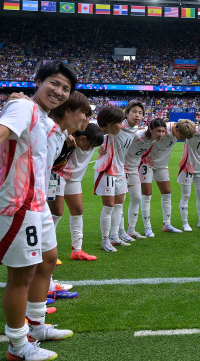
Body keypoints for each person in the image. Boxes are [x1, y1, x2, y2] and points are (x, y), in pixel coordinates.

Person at [0, 60, 77, 361]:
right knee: (20, 277)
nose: (59, 91)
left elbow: (46, 160)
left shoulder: (46, 121)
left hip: (37, 205)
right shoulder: (24, 108)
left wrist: (65, 137)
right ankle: (17, 344)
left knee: (49, 260)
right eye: (54, 83)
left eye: (66, 88)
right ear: (39, 81)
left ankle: (36, 326)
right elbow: (0, 132)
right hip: (17, 206)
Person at [51, 119, 104, 261]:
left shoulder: (90, 134)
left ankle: (77, 250)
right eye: (91, 145)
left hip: (73, 178)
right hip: (55, 175)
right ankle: (47, 252)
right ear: (82, 139)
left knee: (78, 210)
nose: (92, 149)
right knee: (56, 213)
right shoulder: (65, 139)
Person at [139, 118, 196, 235]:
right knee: (147, 194)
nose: (183, 139)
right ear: (177, 130)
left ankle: (167, 224)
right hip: (146, 163)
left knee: (167, 193)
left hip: (162, 165)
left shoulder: (182, 128)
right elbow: (142, 131)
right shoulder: (163, 129)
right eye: (182, 136)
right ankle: (147, 227)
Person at [93, 105, 132, 252]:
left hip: (120, 171)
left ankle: (115, 236)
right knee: (109, 206)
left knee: (119, 205)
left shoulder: (120, 131)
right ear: (109, 123)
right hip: (106, 170)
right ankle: (105, 240)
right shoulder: (97, 134)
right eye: (119, 122)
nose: (122, 126)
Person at [116, 101, 146, 243]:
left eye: (140, 113)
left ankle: (131, 230)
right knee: (120, 202)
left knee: (137, 198)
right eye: (134, 112)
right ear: (126, 113)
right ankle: (120, 232)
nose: (137, 115)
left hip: (133, 169)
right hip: (120, 168)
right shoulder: (119, 128)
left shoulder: (138, 131)